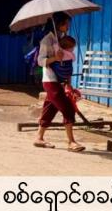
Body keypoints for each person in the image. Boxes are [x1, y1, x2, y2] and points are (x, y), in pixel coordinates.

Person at [33, 12, 85, 152]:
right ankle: (71, 142)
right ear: (58, 24)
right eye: (66, 23)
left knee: (50, 108)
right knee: (68, 108)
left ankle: (39, 138)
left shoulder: (62, 38)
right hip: (50, 80)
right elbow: (40, 61)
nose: (68, 26)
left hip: (60, 80)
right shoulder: (47, 40)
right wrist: (55, 58)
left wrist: (68, 82)